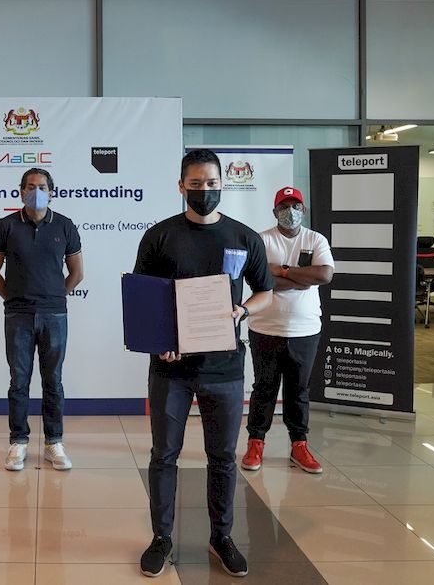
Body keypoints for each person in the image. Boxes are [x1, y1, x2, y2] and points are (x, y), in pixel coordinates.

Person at [133, 149, 274, 579]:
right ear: (181, 187)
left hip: (225, 368)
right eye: (195, 185)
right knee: (164, 456)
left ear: (221, 185)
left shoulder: (244, 237)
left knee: (223, 458)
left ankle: (222, 537)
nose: (204, 191)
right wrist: (160, 343)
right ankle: (161, 537)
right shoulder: (159, 237)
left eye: (211, 184)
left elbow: (265, 291)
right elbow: (143, 298)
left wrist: (243, 312)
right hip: (171, 368)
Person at [0, 168, 84, 472]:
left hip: (55, 315)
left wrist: (54, 296)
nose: (36, 191)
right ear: (21, 191)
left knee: (53, 380)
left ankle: (54, 442)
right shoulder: (6, 226)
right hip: (18, 316)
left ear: (51, 191)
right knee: (19, 381)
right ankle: (19, 442)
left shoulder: (65, 226)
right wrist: (14, 299)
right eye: (30, 186)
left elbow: (77, 273)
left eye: (41, 186)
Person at [241, 186, 334, 475]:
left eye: (295, 206)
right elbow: (258, 280)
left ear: (303, 210)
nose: (290, 212)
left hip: (305, 330)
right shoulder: (261, 240)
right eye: (284, 206)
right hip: (265, 327)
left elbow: (324, 274)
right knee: (264, 388)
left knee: (299, 390)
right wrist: (298, 276)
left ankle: (299, 445)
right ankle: (256, 442)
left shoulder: (315, 239)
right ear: (274, 211)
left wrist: (279, 271)